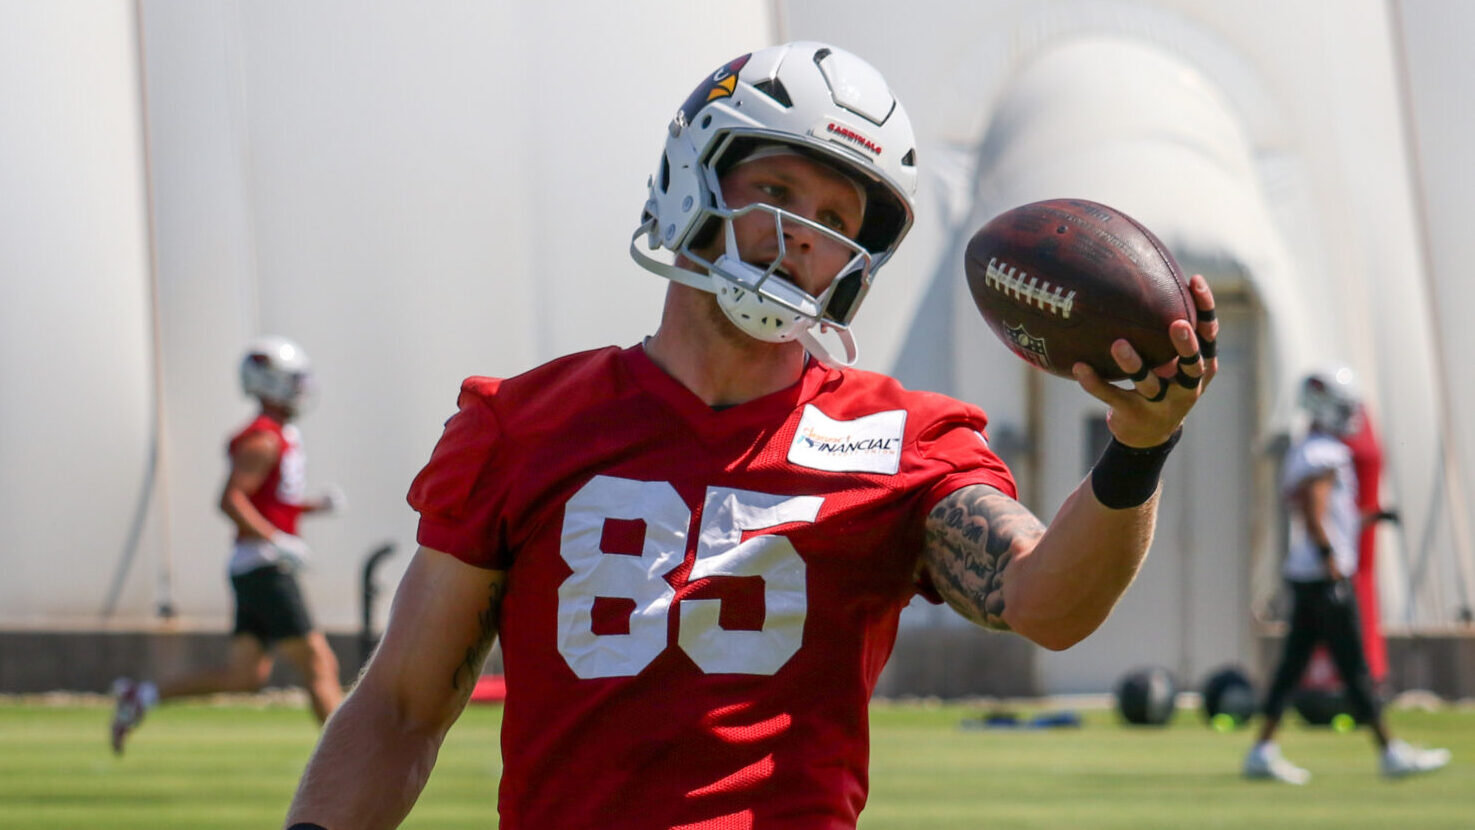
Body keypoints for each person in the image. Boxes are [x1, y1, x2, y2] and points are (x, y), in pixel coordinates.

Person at [284, 41, 1218, 829]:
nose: (799, 235)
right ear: (691, 175)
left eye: (834, 220)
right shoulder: (520, 424)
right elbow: (403, 709)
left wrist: (1139, 445)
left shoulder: (900, 439)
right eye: (774, 188)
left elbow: (1045, 602)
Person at [111, 335, 346, 755]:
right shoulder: (263, 439)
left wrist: (311, 508)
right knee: (319, 665)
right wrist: (278, 540)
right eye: (292, 380)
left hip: (255, 563)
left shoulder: (279, 433)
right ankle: (350, 759)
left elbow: (269, 502)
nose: (300, 388)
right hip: (264, 565)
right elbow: (230, 499)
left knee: (245, 675)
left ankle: (141, 696)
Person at [1242, 366, 1450, 783]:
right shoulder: (1324, 453)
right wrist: (1330, 558)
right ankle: (1390, 752)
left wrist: (1371, 517)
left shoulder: (1312, 449)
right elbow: (1316, 511)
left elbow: (1332, 513)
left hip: (1309, 576)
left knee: (1292, 667)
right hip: (1324, 577)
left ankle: (1262, 749)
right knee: (1354, 667)